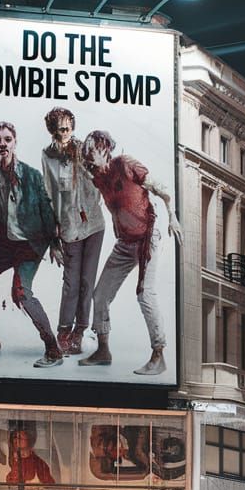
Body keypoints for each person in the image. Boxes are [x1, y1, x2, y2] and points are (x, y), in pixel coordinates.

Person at [78, 130, 182, 376]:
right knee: (100, 295)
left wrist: (172, 216)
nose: (88, 160)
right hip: (124, 244)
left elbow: (161, 189)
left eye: (91, 153)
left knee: (145, 294)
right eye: (85, 155)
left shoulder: (125, 164)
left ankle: (159, 354)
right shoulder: (97, 179)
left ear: (104, 149)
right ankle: (103, 351)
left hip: (148, 237)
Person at [0, 121, 64, 368]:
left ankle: (53, 348)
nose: (2, 144)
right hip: (2, 244)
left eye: (7, 139)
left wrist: (54, 243)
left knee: (20, 294)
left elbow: (47, 210)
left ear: (15, 142)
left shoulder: (31, 175)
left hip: (29, 244)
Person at [40, 106, 105, 357]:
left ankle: (80, 330)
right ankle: (64, 331)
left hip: (94, 224)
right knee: (71, 281)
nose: (64, 134)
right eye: (59, 130)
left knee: (87, 281)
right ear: (52, 131)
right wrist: (52, 234)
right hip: (68, 226)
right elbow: (49, 191)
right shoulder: (48, 155)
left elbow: (100, 179)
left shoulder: (85, 149)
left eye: (67, 128)